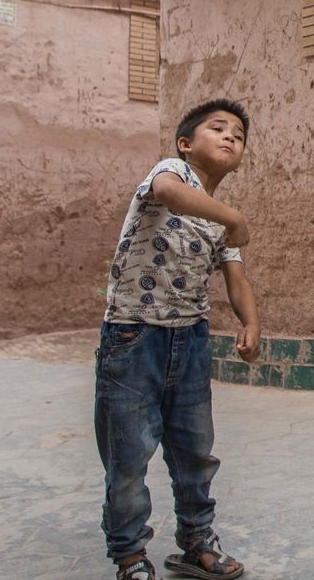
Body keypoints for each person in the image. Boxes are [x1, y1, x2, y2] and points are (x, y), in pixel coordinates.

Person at [97, 99, 262, 580]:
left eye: (238, 135)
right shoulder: (172, 171)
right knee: (129, 456)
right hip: (133, 336)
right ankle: (130, 555)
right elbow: (168, 192)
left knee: (195, 452)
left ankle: (196, 542)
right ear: (186, 143)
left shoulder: (219, 219)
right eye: (219, 128)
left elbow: (236, 278)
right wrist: (234, 216)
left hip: (189, 341)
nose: (230, 137)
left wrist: (251, 322)